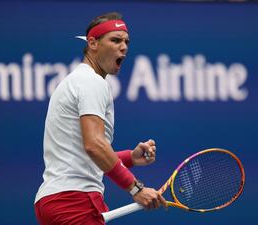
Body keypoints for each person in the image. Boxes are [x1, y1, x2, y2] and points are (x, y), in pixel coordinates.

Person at [34, 12, 167, 225]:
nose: (123, 47)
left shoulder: (76, 80)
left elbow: (81, 156)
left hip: (55, 201)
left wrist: (130, 158)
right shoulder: (91, 82)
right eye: (115, 40)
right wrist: (136, 188)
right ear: (93, 43)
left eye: (126, 42)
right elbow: (95, 146)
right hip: (75, 202)